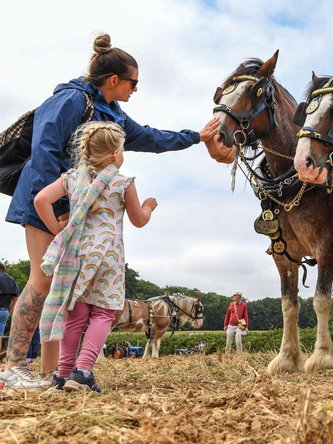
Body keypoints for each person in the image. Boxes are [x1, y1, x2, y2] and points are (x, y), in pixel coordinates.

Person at [0, 33, 222, 391]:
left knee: (61, 287)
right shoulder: (71, 100)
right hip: (47, 199)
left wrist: (195, 137)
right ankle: (12, 367)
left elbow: (150, 137)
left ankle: (50, 375)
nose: (137, 88)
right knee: (41, 282)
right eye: (134, 82)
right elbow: (44, 151)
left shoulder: (113, 112)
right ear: (115, 79)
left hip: (74, 208)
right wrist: (58, 216)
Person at [35, 121, 158, 392]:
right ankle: (83, 372)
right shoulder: (122, 182)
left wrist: (59, 229)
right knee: (103, 314)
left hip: (76, 255)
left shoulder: (71, 179)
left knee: (75, 316)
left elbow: (41, 200)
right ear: (115, 155)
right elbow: (138, 220)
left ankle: (63, 374)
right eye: (123, 150)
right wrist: (149, 207)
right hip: (107, 259)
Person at [0, 263, 20, 354]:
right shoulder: (11, 280)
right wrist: (10, 309)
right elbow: (16, 297)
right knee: (0, 336)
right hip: (4, 312)